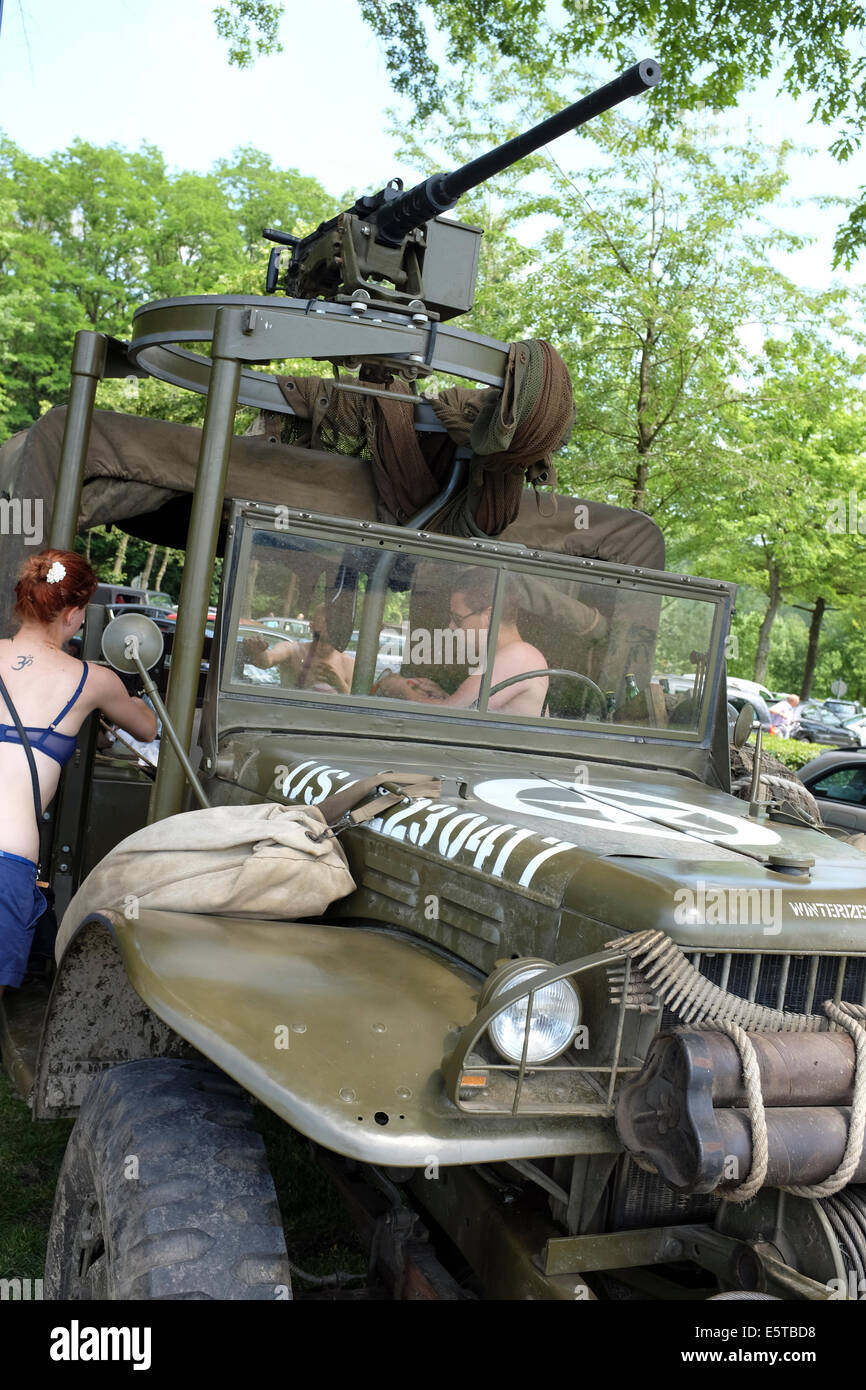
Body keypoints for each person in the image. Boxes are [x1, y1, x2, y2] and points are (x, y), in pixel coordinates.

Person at [0, 549, 158, 996]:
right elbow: (147, 728)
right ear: (72, 614)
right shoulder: (93, 680)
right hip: (7, 856)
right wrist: (138, 694)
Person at [378, 571, 549, 715]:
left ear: (490, 616)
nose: (451, 627)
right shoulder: (513, 656)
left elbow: (451, 716)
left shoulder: (518, 657)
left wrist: (401, 690)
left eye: (457, 619)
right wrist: (444, 697)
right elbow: (473, 712)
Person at [240, 603, 355, 693]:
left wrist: (338, 682)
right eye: (325, 621)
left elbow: (354, 702)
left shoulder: (348, 663)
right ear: (311, 627)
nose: (329, 626)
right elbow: (266, 661)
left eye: (334, 623)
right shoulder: (293, 650)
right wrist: (258, 652)